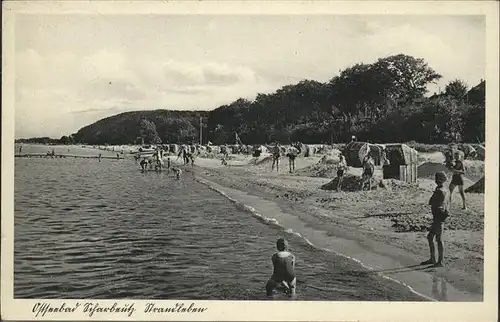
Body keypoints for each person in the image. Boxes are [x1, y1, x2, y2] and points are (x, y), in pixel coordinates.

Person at [421, 171, 450, 267]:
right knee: (431, 237)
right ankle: (433, 259)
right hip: (439, 216)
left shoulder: (440, 191)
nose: (435, 180)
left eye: (437, 178)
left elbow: (435, 202)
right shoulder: (444, 189)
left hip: (438, 216)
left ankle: (440, 261)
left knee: (438, 239)